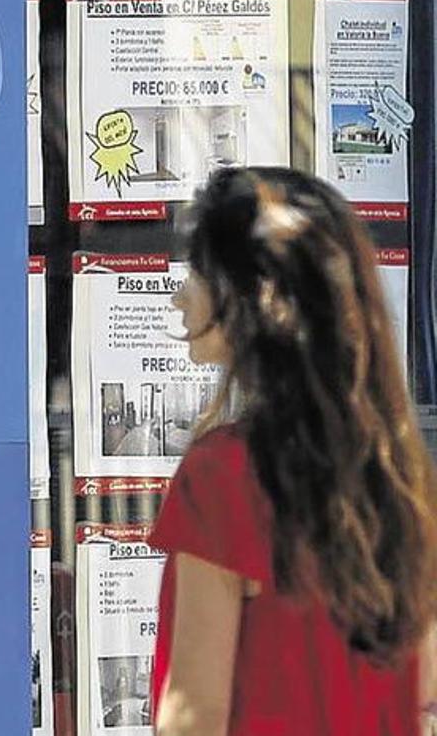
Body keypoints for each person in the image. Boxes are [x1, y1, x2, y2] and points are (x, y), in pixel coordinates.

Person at [150, 167, 437, 735]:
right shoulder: (398, 473)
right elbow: (422, 683)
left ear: (262, 294)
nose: (181, 294)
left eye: (201, 270)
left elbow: (193, 716)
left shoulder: (224, 475)